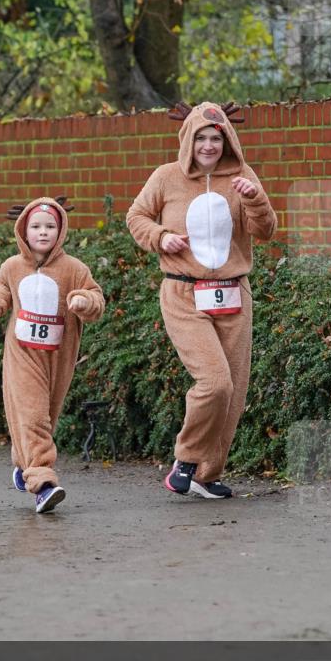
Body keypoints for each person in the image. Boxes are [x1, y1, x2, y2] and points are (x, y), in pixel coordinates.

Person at [126, 100, 277, 500]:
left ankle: (206, 475)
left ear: (228, 140)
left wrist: (255, 198)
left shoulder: (242, 176)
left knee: (234, 391)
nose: (209, 145)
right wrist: (161, 237)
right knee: (214, 382)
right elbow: (136, 217)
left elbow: (265, 231)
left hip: (234, 295)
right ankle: (186, 459)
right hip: (183, 292)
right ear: (187, 140)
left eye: (216, 137)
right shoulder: (166, 177)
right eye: (201, 138)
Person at [0, 197, 105, 513]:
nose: (43, 232)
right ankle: (43, 482)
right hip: (22, 354)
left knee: (44, 417)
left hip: (59, 356)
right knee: (33, 413)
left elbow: (96, 298)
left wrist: (82, 301)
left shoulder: (74, 268)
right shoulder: (12, 266)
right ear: (23, 230)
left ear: (61, 230)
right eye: (36, 226)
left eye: (50, 226)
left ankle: (24, 464)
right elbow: (1, 288)